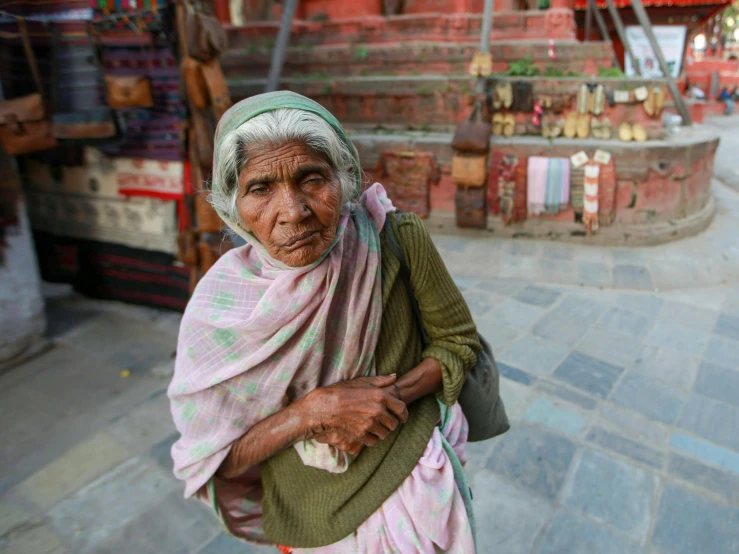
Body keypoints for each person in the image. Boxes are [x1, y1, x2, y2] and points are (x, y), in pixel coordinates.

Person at [169, 91, 482, 553]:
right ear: (234, 207)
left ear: (344, 179)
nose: (293, 211)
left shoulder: (393, 239)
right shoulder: (219, 309)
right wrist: (313, 413)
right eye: (260, 189)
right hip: (307, 516)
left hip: (410, 473)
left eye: (311, 179)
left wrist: (385, 398)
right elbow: (218, 460)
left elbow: (457, 343)